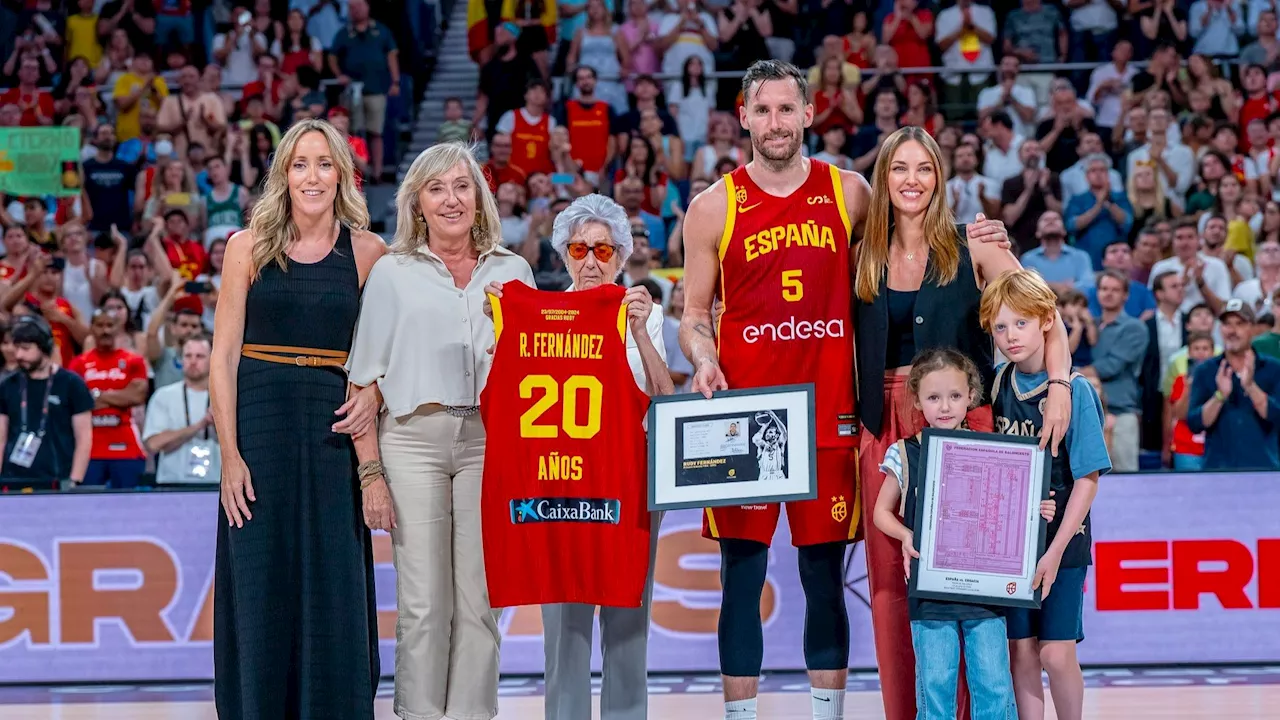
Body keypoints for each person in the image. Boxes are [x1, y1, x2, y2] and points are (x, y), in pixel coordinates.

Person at [679, 59, 1012, 720]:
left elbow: (917, 232)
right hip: (746, 415)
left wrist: (982, 236)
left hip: (832, 412)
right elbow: (693, 315)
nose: (775, 122)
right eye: (762, 109)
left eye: (787, 109)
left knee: (823, 577)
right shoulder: (711, 206)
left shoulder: (852, 192)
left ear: (809, 114)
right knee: (739, 577)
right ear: (743, 116)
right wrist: (701, 356)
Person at [853, 126, 1067, 720]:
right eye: (899, 169)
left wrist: (1059, 387)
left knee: (968, 581)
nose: (911, 181)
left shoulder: (973, 244)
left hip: (965, 423)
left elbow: (1044, 314)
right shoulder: (860, 254)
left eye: (924, 169)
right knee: (894, 581)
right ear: (884, 178)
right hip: (884, 425)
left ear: (940, 178)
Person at [344, 142, 534, 720]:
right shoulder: (392, 273)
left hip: (489, 441)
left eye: (461, 185)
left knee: (480, 600)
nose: (450, 199)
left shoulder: (514, 270)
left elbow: (535, 372)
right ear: (417, 203)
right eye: (436, 188)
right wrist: (371, 474)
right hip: (411, 438)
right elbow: (362, 382)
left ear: (479, 197)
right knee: (424, 603)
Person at [210, 119, 388, 719]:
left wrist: (377, 393)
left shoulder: (369, 252)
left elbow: (385, 352)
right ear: (282, 175)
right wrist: (230, 457)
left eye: (324, 163)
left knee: (333, 583)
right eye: (300, 164)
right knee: (260, 584)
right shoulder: (246, 246)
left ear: (343, 174)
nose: (312, 176)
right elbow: (222, 357)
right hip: (259, 430)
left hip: (332, 433)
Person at [485, 194, 672, 720]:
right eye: (578, 249)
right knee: (563, 633)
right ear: (562, 255)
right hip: (559, 489)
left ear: (623, 255)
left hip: (629, 484)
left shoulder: (639, 311)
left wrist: (639, 330)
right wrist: (502, 324)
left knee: (628, 622)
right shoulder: (532, 315)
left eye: (603, 250)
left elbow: (665, 400)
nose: (590, 261)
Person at [874, 348, 1056, 720]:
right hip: (930, 593)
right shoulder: (904, 452)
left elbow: (1014, 507)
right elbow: (880, 512)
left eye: (955, 396)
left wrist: (1038, 511)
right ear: (918, 400)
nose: (945, 406)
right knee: (936, 685)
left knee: (992, 683)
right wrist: (905, 535)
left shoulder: (992, 449)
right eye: (934, 397)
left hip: (985, 590)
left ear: (971, 396)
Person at [979, 269, 1110, 720]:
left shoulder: (1075, 390)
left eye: (1021, 323)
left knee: (1056, 653)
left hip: (1063, 543)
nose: (1010, 335)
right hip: (1012, 543)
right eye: (1000, 326)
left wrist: (1055, 551)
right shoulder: (996, 385)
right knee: (1021, 652)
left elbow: (1088, 479)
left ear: (1046, 322)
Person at [1186, 298, 1280, 470]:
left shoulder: (1273, 369)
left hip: (1264, 470)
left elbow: (1277, 416)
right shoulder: (1205, 370)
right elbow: (1194, 423)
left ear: (1252, 328)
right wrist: (1220, 396)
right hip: (1218, 471)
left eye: (1239, 324)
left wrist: (1251, 387)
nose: (1232, 330)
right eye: (1227, 324)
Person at [0, 316, 92, 490]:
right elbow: (0, 438)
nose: (18, 355)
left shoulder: (72, 384)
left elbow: (84, 439)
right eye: (16, 348)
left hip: (58, 480)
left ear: (44, 348)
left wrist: (74, 480)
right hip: (12, 481)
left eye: (26, 349)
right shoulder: (7, 386)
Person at [67, 311, 149, 489]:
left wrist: (94, 395)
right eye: (100, 325)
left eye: (110, 325)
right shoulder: (78, 363)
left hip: (127, 448)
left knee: (130, 508)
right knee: (87, 508)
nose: (105, 330)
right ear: (91, 329)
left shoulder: (133, 361)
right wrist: (119, 396)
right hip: (89, 451)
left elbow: (137, 396)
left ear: (118, 328)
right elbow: (74, 402)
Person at [143, 335, 220, 484]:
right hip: (171, 483)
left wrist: (219, 425)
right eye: (188, 356)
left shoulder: (225, 397)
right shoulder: (163, 396)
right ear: (181, 360)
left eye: (200, 356)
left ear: (212, 360)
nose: (193, 361)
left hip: (216, 483)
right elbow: (153, 444)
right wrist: (199, 425)